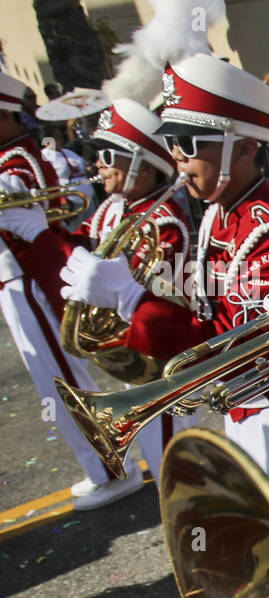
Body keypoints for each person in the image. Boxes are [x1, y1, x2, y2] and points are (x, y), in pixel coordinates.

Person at [56, 53, 269, 506]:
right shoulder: (217, 217)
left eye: (189, 144)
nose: (177, 158)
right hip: (244, 407)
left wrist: (133, 300)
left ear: (244, 149)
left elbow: (239, 351)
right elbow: (207, 311)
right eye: (172, 144)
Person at [18, 99, 196, 480]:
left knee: (172, 460)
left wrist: (40, 235)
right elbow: (80, 253)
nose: (96, 163)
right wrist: (44, 232)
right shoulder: (113, 209)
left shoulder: (163, 220)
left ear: (142, 164)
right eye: (97, 153)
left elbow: (137, 291)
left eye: (108, 154)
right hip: (129, 352)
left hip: (157, 362)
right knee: (162, 455)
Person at [0, 72, 142, 510]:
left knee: (59, 379)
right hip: (15, 280)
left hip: (26, 279)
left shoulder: (16, 159)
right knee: (53, 381)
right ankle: (104, 466)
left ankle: (113, 469)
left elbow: (37, 222)